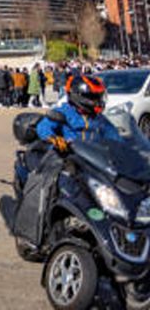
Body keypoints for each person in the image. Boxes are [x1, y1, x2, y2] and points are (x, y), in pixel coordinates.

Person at [14, 73, 121, 247]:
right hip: (64, 160)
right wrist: (54, 139)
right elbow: (44, 127)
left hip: (93, 161)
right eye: (93, 97)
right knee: (49, 189)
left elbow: (115, 137)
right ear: (79, 97)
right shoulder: (63, 112)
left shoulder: (99, 119)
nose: (97, 101)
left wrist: (128, 149)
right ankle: (39, 232)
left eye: (98, 96)